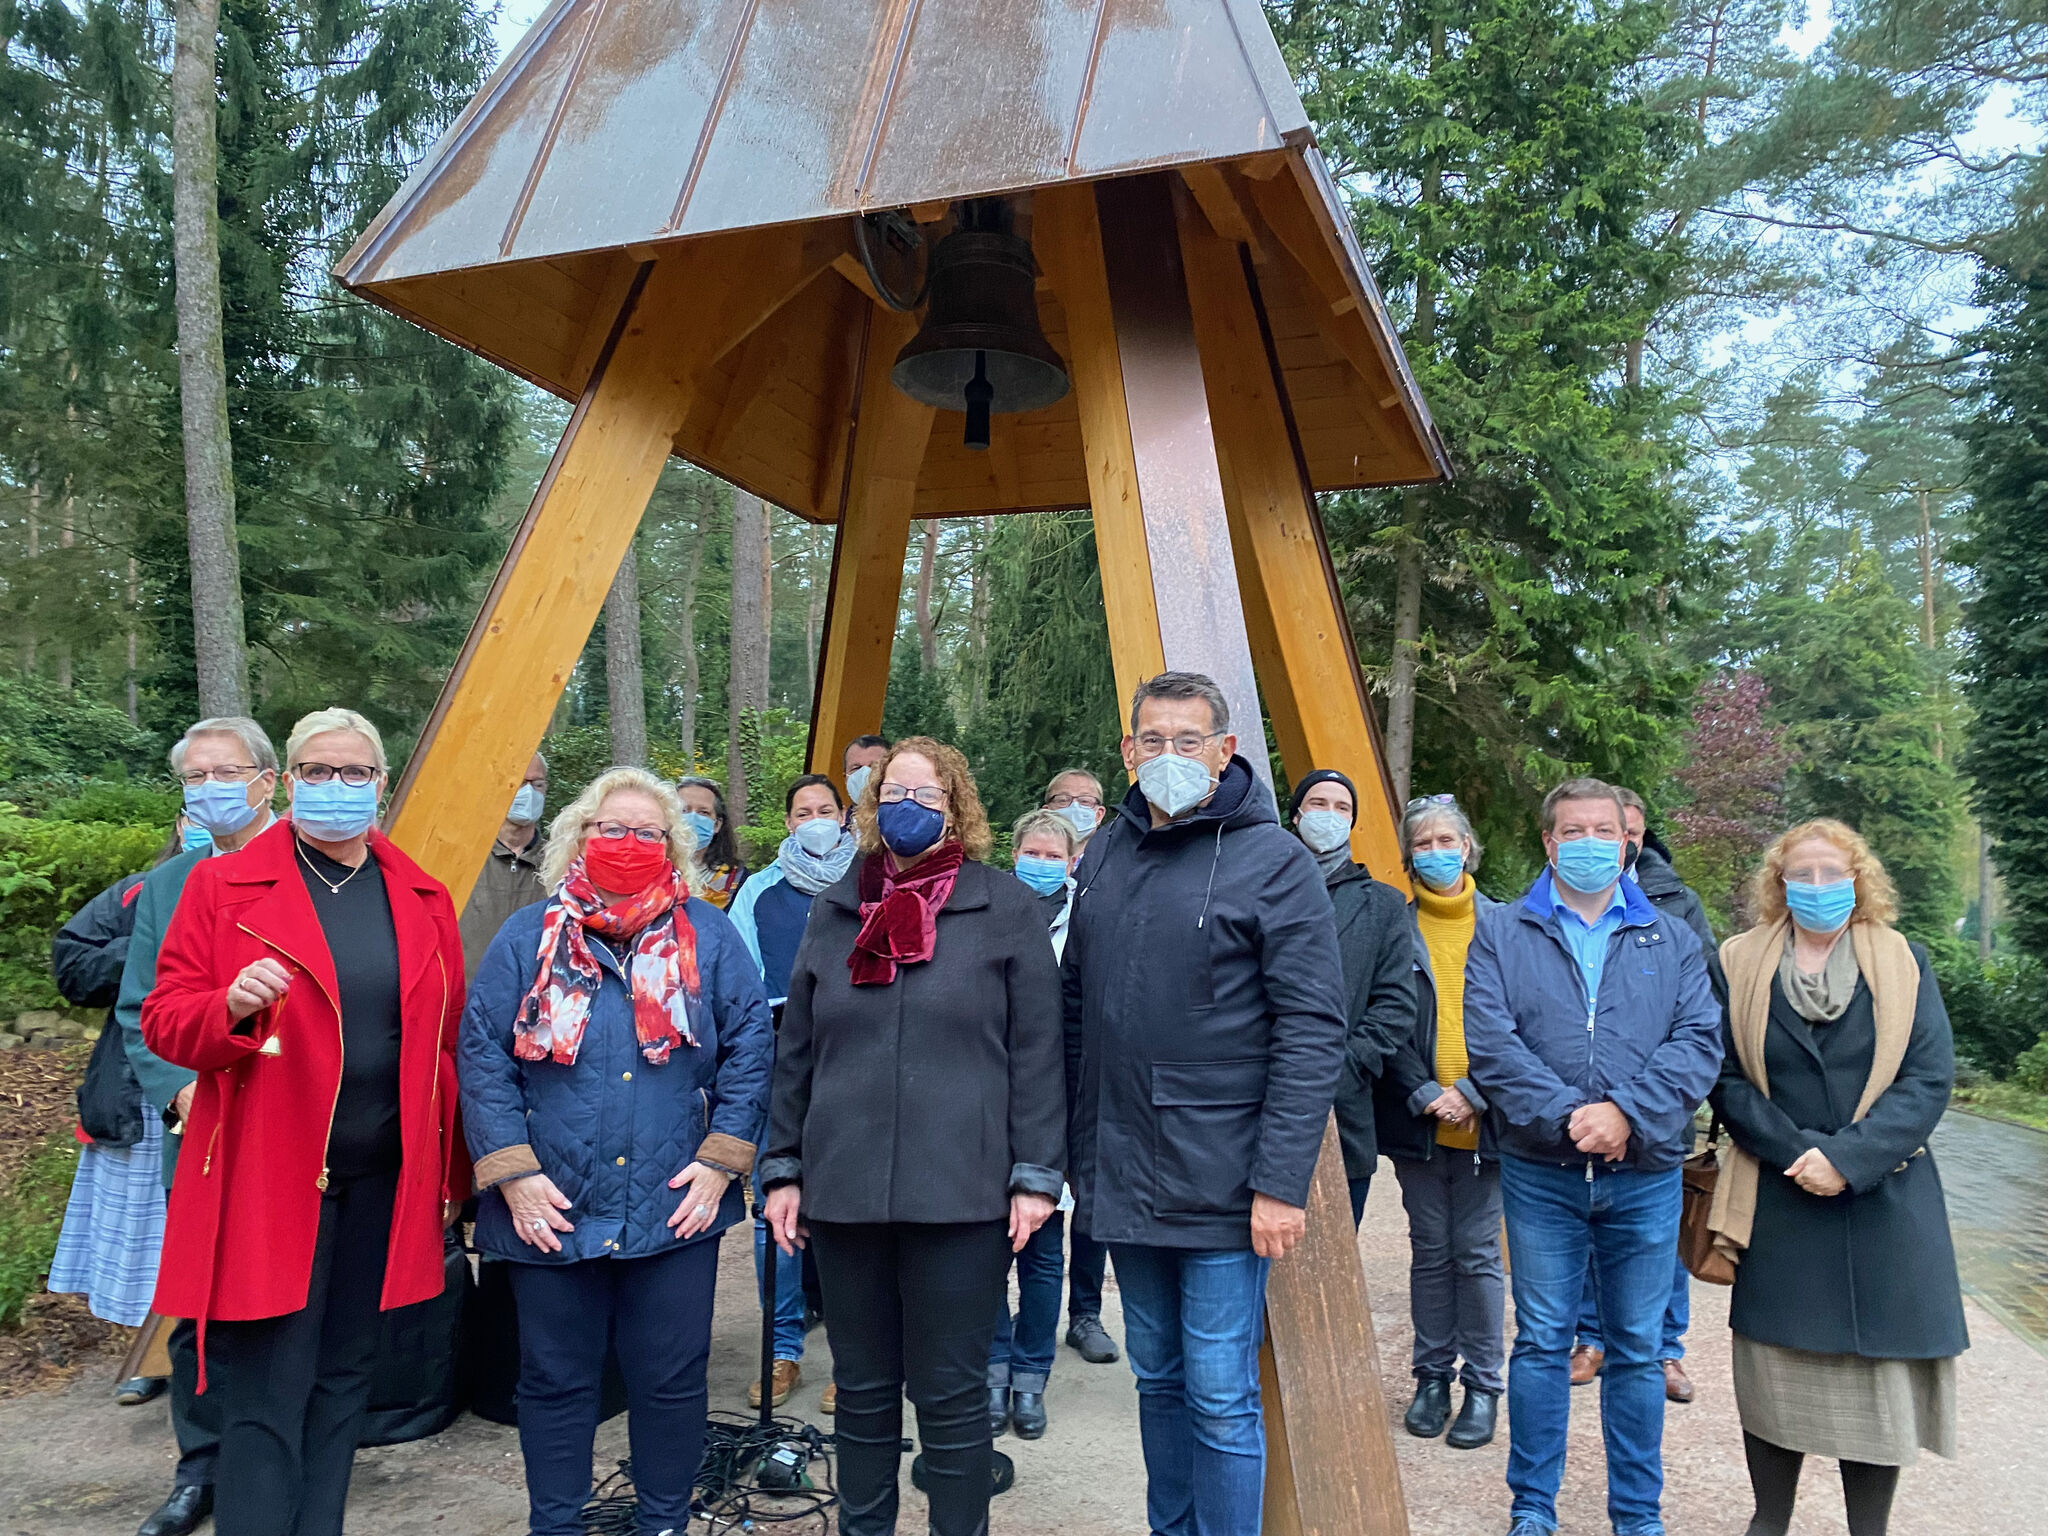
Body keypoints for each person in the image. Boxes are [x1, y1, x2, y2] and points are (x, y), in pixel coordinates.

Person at [140, 708, 466, 1536]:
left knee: (346, 1379)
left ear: (382, 786)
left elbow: (447, 1046)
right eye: (318, 771)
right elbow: (165, 1020)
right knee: (265, 1389)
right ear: (288, 782)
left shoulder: (421, 896)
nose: (337, 787)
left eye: (355, 773)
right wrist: (229, 1007)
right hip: (267, 1178)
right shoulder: (220, 887)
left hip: (382, 1178)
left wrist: (454, 1174)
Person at [1063, 672, 1346, 1536]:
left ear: (1226, 752)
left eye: (1189, 741)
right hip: (1123, 1169)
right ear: (1128, 751)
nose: (1170, 756)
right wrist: (1076, 1151)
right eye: (1153, 740)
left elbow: (1310, 1030)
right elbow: (1078, 1007)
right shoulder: (1108, 848)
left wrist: (1281, 1183)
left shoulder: (1275, 862)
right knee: (1157, 1378)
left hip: (1227, 1182)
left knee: (1221, 1395)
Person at [762, 737, 1064, 1536]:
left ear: (956, 806)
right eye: (894, 791)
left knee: (953, 1395)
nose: (907, 806)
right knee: (861, 1392)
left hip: (961, 1194)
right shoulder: (836, 908)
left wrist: (1037, 1174)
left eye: (927, 796)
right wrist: (782, 1165)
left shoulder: (1004, 906)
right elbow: (796, 1048)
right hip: (845, 1188)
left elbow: (1039, 1051)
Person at [461, 767, 773, 1536]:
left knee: (669, 1381)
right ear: (579, 837)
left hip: (674, 1203)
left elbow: (750, 1048)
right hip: (550, 1206)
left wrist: (721, 1159)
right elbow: (482, 1055)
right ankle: (556, 1524)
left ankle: (664, 1520)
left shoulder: (711, 935)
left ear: (672, 846)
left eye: (646, 832)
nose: (627, 844)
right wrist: (513, 1173)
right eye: (611, 828)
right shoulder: (526, 936)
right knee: (555, 1380)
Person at [1463, 776, 1722, 1536]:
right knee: (1543, 1342)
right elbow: (1492, 1043)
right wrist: (1572, 1118)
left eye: (1602, 831)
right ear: (1549, 842)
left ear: (1626, 839)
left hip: (1645, 1175)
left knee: (1639, 1352)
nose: (1588, 843)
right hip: (1543, 1172)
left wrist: (1627, 1114)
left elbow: (1699, 1039)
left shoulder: (1670, 936)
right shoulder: (1503, 931)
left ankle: (1637, 1516)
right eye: (1571, 831)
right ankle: (1532, 1508)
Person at [1708, 820, 1965, 1536]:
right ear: (1778, 882)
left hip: (1886, 1199)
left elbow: (1928, 1078)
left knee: (1875, 1387)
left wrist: (1849, 1159)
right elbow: (1724, 1077)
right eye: (1802, 874)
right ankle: (1770, 1521)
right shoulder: (1737, 962)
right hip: (1780, 1198)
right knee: (1774, 1376)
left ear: (1859, 878)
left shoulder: (1905, 962)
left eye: (1831, 872)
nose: (1817, 887)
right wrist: (1797, 1154)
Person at [117, 716, 283, 1536]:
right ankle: (202, 1467)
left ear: (267, 778)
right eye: (196, 774)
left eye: (228, 770)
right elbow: (137, 1007)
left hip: (302, 1131)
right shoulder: (172, 883)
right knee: (203, 1302)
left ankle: (293, 1452)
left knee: (301, 1298)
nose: (211, 786)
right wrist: (180, 1089)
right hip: (207, 1129)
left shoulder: (320, 869)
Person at [1570, 787, 1725, 1404]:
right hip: (1582, 1109)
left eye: (1628, 831)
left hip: (1658, 1109)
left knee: (1661, 1240)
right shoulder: (1558, 897)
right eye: (1609, 830)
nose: (1617, 842)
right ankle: (1590, 1338)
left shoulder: (1678, 902)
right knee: (1584, 1228)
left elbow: (1703, 1008)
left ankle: (1665, 1351)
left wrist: (1645, 1102)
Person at [1373, 794, 1505, 1450]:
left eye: (1446, 840)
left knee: (1478, 1251)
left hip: (1489, 1121)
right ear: (1409, 856)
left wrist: (1476, 1092)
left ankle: (1484, 1384)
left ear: (1469, 847)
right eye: (1422, 843)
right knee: (1430, 1250)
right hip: (1419, 1118)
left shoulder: (1506, 926)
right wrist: (1423, 1089)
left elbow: (1526, 1020)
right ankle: (1432, 1377)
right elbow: (1383, 1014)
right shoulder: (1394, 926)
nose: (1436, 852)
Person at [726, 773, 856, 1410]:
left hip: (855, 1067)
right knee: (771, 1212)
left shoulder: (873, 882)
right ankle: (781, 1353)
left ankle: (854, 1360)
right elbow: (744, 990)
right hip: (779, 1067)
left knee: (848, 1213)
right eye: (802, 811)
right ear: (787, 823)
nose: (814, 819)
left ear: (844, 815)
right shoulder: (757, 892)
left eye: (825, 809)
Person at [48, 860, 161, 1392]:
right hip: (138, 1090)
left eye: (229, 773)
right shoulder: (140, 891)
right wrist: (149, 949)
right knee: (146, 1235)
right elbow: (73, 968)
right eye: (200, 781)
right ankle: (150, 1355)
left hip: (238, 1083)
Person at [987, 808, 1081, 1440]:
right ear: (1013, 852)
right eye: (1032, 851)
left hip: (1062, 1103)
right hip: (988, 1101)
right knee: (989, 1252)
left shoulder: (1092, 921)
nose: (1041, 862)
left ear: (1073, 862)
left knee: (1044, 1256)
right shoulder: (987, 912)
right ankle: (992, 1372)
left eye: (1054, 855)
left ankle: (1029, 1381)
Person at [1287, 767, 1415, 1223]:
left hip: (1345, 1110)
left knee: (1335, 1268)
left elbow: (1396, 1004)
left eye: (1342, 807)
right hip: (1255, 1105)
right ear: (1297, 813)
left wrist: (1349, 1064)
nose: (1330, 815)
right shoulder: (1259, 887)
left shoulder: (1383, 905)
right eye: (1319, 804)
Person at [1037, 768, 1122, 1366]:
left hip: (1093, 1065)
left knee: (1090, 1194)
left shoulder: (1112, 886)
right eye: (1062, 800)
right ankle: (1025, 1318)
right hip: (1028, 1069)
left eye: (1087, 801)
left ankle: (1085, 1313)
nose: (1075, 808)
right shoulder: (1011, 900)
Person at [458, 752, 549, 977]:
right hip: (467, 1000)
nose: (529, 793)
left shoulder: (558, 863)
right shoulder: (466, 858)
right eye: (519, 783)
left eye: (537, 784)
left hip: (534, 1003)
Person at [676, 775, 748, 908]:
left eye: (703, 812)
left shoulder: (738, 880)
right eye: (683, 810)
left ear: (717, 825)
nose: (692, 818)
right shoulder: (648, 870)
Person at [842, 734, 891, 824]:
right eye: (856, 768)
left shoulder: (906, 829)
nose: (865, 773)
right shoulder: (834, 833)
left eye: (874, 767)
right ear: (846, 778)